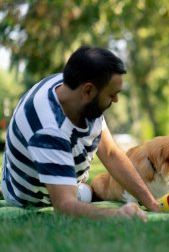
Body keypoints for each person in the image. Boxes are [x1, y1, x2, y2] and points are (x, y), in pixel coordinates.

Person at [1, 46, 159, 220]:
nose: (116, 100)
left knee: (85, 191)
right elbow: (64, 206)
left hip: (68, 177)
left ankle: (75, 182)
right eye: (112, 94)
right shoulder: (48, 130)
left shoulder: (76, 89)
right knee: (85, 195)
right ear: (88, 90)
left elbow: (110, 153)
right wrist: (118, 215)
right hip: (32, 198)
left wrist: (151, 202)